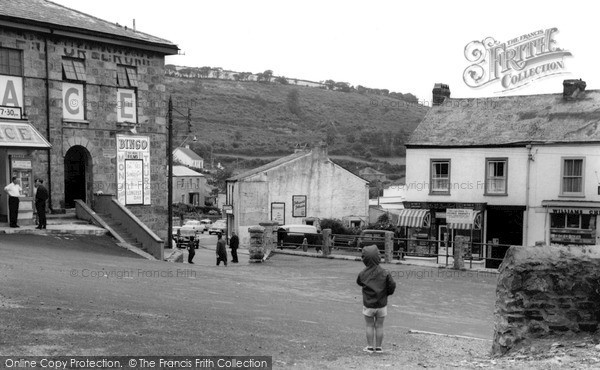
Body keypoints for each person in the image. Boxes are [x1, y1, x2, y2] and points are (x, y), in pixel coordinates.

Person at [356, 245, 396, 354]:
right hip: (382, 304)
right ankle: (378, 347)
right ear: (378, 257)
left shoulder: (363, 273)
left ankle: (369, 347)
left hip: (368, 304)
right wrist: (386, 294)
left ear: (365, 259)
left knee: (369, 325)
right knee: (379, 326)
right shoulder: (385, 272)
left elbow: (359, 282)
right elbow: (392, 285)